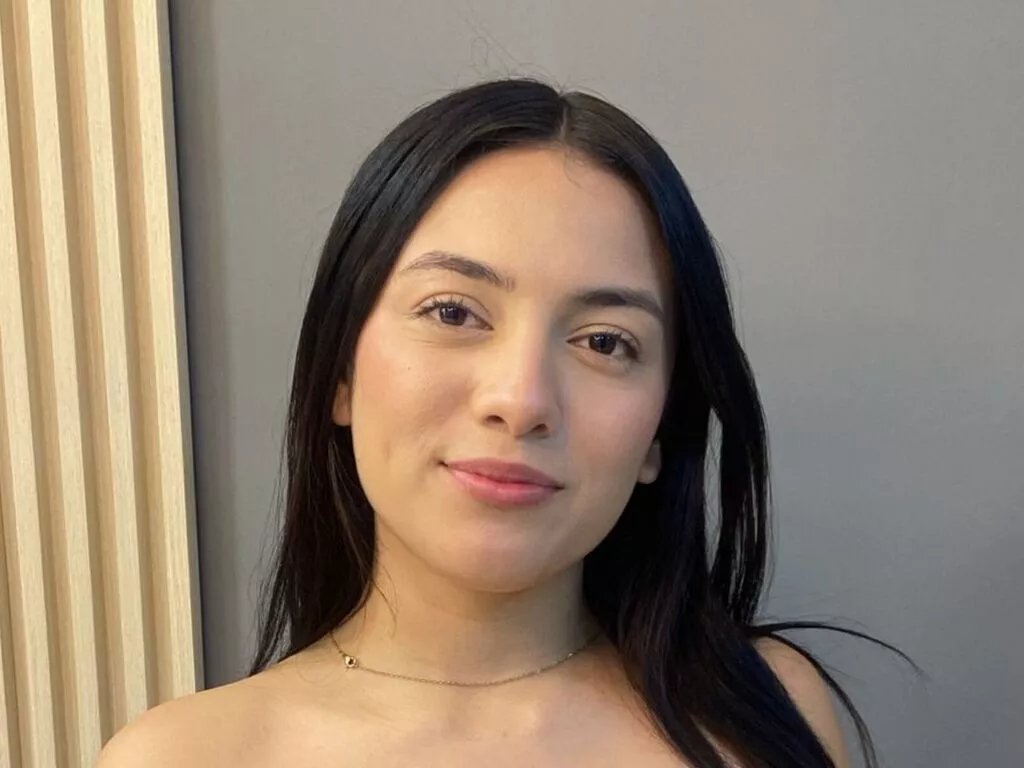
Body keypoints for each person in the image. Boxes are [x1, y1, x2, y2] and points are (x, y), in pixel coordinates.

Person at [99, 76, 904, 767]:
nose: (521, 400)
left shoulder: (762, 715)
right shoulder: (183, 755)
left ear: (660, 429)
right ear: (341, 374)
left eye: (605, 342)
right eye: (453, 311)